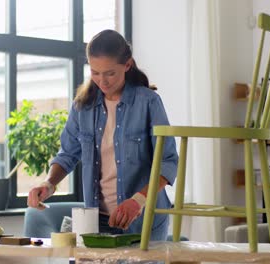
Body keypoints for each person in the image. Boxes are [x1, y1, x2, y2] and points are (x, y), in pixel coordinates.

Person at [27, 29, 178, 241]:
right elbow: (68, 154)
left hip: (143, 220)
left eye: (110, 73)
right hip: (97, 221)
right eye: (95, 72)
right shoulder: (82, 106)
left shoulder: (149, 102)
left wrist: (138, 200)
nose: (102, 81)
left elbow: (168, 162)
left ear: (127, 65)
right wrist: (48, 184)